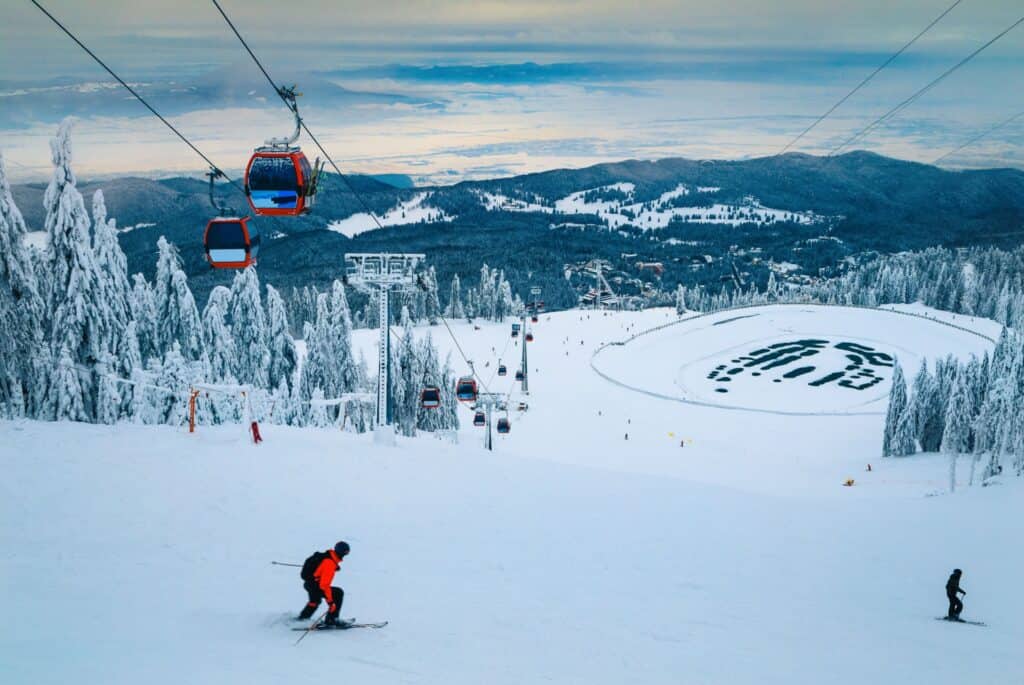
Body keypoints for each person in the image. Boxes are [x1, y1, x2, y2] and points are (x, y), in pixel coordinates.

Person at [297, 541, 350, 625]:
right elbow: (324, 585)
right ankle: (332, 620)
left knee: (314, 601)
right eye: (346, 552)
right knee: (338, 593)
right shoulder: (329, 563)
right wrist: (331, 603)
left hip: (310, 584)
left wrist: (334, 566)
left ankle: (302, 619)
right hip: (315, 585)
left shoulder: (328, 557)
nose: (346, 555)